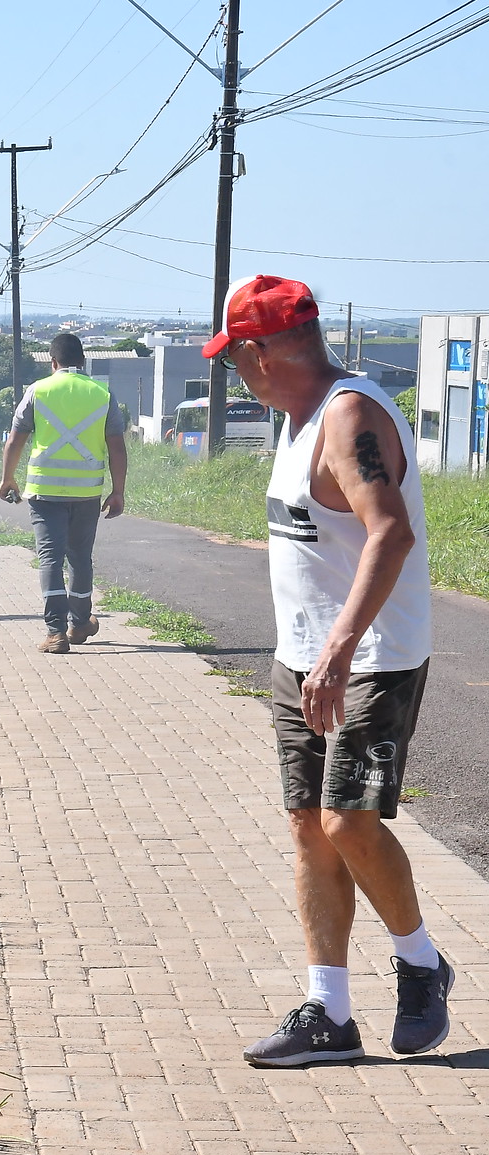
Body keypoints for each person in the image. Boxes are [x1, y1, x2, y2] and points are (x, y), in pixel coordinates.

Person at [206, 275, 446, 1068]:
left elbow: (390, 533)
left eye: (233, 358)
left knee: (350, 820)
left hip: (372, 656)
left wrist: (342, 645)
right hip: (300, 659)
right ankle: (329, 1013)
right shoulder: (296, 418)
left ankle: (420, 963)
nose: (232, 371)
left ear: (259, 351)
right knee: (310, 826)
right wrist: (312, 650)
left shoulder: (348, 415)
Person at [0, 333, 128, 653]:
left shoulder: (37, 391)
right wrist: (118, 491)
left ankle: (56, 632)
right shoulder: (102, 394)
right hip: (86, 494)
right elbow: (117, 447)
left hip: (45, 494)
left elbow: (15, 439)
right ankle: (80, 622)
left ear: (53, 362)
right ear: (82, 361)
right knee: (80, 559)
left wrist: (7, 478)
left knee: (50, 560)